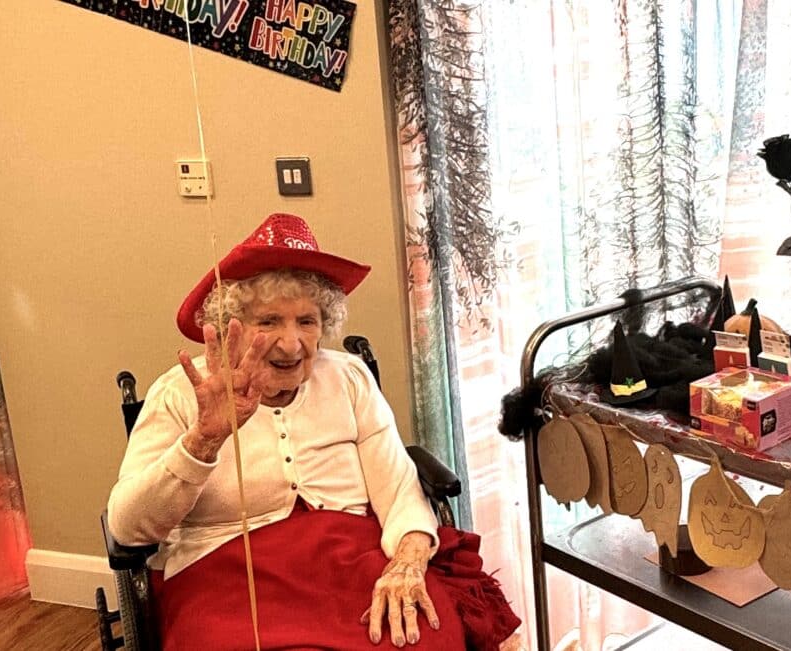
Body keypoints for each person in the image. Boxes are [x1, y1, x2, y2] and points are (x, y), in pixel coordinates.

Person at [107, 213, 521, 650]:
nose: (291, 343)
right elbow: (128, 529)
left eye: (306, 321)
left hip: (355, 560)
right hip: (224, 574)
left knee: (426, 632)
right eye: (268, 322)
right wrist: (202, 442)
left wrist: (407, 562)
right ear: (232, 327)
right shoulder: (179, 393)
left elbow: (399, 491)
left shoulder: (348, 378)